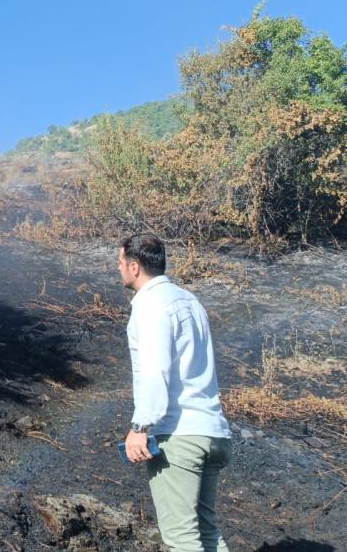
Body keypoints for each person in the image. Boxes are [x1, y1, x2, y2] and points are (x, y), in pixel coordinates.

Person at [118, 233, 232, 552]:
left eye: (120, 263)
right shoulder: (188, 300)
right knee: (207, 533)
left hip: (180, 437)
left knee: (182, 540)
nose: (119, 269)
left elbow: (154, 370)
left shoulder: (151, 305)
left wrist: (140, 427)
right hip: (213, 432)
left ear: (135, 266)